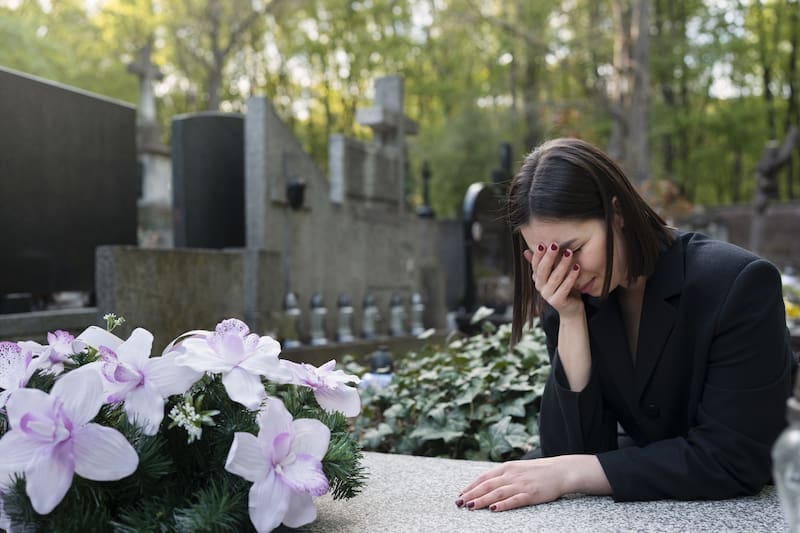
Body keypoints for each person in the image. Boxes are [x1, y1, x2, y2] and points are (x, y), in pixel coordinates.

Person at [456, 137, 795, 512]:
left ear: (617, 214)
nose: (565, 270)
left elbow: (733, 459)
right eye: (546, 257)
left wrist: (572, 474)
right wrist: (570, 319)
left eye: (575, 248)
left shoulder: (737, 283)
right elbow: (568, 450)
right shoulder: (571, 294)